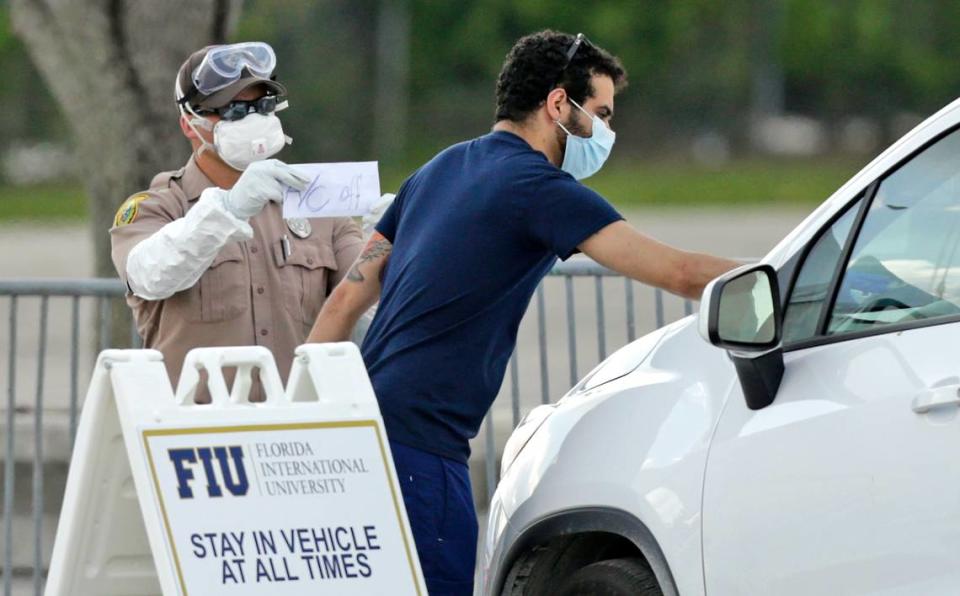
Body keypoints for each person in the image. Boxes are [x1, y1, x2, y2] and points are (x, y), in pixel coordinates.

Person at [307, 30, 739, 594]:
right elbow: (679, 273)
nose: (607, 131)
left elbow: (345, 298)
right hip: (422, 447)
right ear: (559, 104)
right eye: (602, 114)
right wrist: (792, 277)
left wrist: (305, 416)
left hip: (359, 427)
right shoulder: (537, 187)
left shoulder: (438, 168)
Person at [110, 42, 363, 402]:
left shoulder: (313, 200)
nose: (253, 120)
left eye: (261, 106)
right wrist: (228, 208)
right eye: (232, 111)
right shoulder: (160, 206)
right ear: (190, 124)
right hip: (200, 433)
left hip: (297, 432)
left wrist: (391, 240)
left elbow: (371, 302)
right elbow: (149, 274)